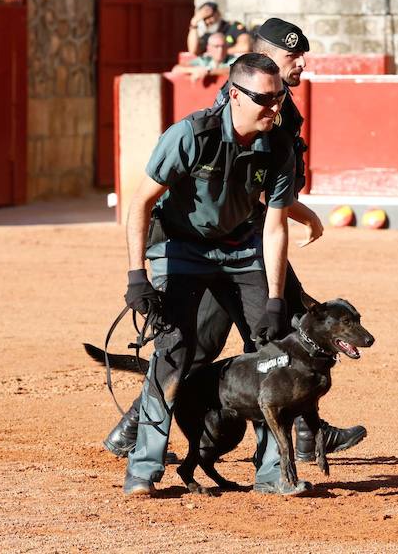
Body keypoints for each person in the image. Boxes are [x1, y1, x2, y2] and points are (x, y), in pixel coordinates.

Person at [104, 18, 367, 467]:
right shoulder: (234, 107)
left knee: (284, 327)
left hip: (249, 236)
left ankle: (304, 431)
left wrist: (291, 210)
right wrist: (296, 212)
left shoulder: (283, 112)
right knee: (207, 344)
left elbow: (266, 188)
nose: (301, 64)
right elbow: (233, 187)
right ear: (263, 61)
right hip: (208, 245)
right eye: (291, 57)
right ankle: (134, 430)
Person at [118, 53, 308, 497]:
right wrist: (136, 276)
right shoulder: (190, 134)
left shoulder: (278, 144)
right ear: (235, 95)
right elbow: (141, 203)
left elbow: (275, 224)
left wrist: (277, 298)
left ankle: (274, 472)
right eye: (265, 99)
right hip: (183, 248)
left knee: (273, 351)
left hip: (243, 248)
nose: (275, 108)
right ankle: (143, 469)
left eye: (279, 97)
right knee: (173, 351)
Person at [170, 32, 236, 82]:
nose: (220, 50)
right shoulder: (204, 60)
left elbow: (234, 70)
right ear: (209, 48)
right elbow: (176, 69)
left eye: (223, 46)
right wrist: (193, 70)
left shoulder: (233, 59)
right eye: (216, 46)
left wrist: (208, 72)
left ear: (227, 47)